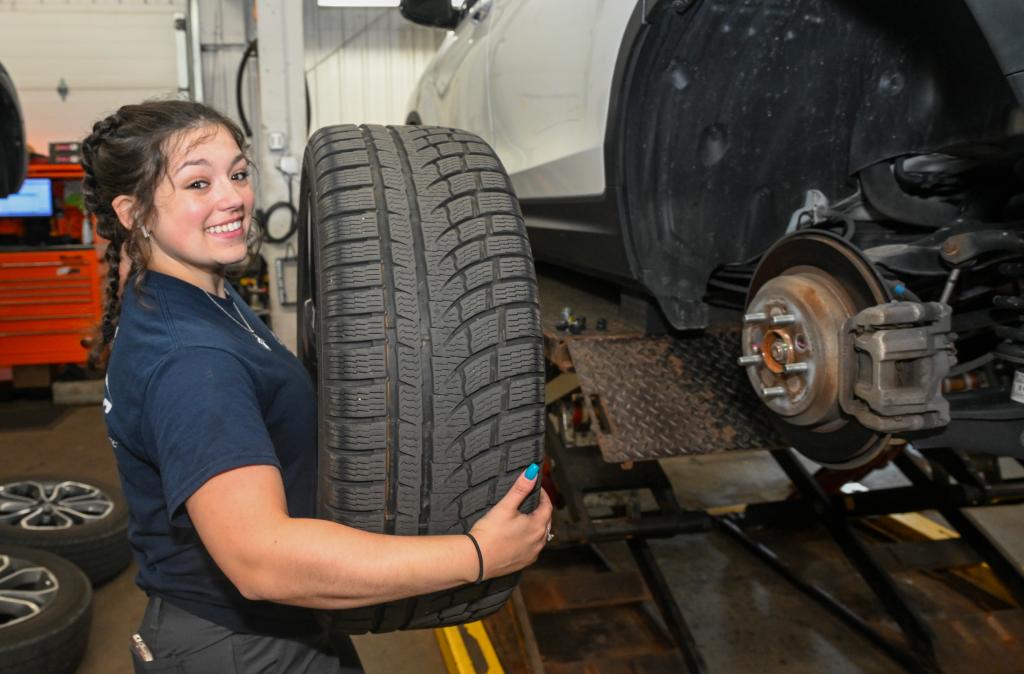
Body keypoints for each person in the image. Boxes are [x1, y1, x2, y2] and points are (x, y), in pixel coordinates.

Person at [82, 99, 553, 673]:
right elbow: (263, 562)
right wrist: (477, 556)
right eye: (197, 183)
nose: (232, 198)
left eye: (236, 173)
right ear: (132, 213)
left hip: (261, 631)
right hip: (240, 648)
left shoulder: (195, 295)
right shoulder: (191, 362)